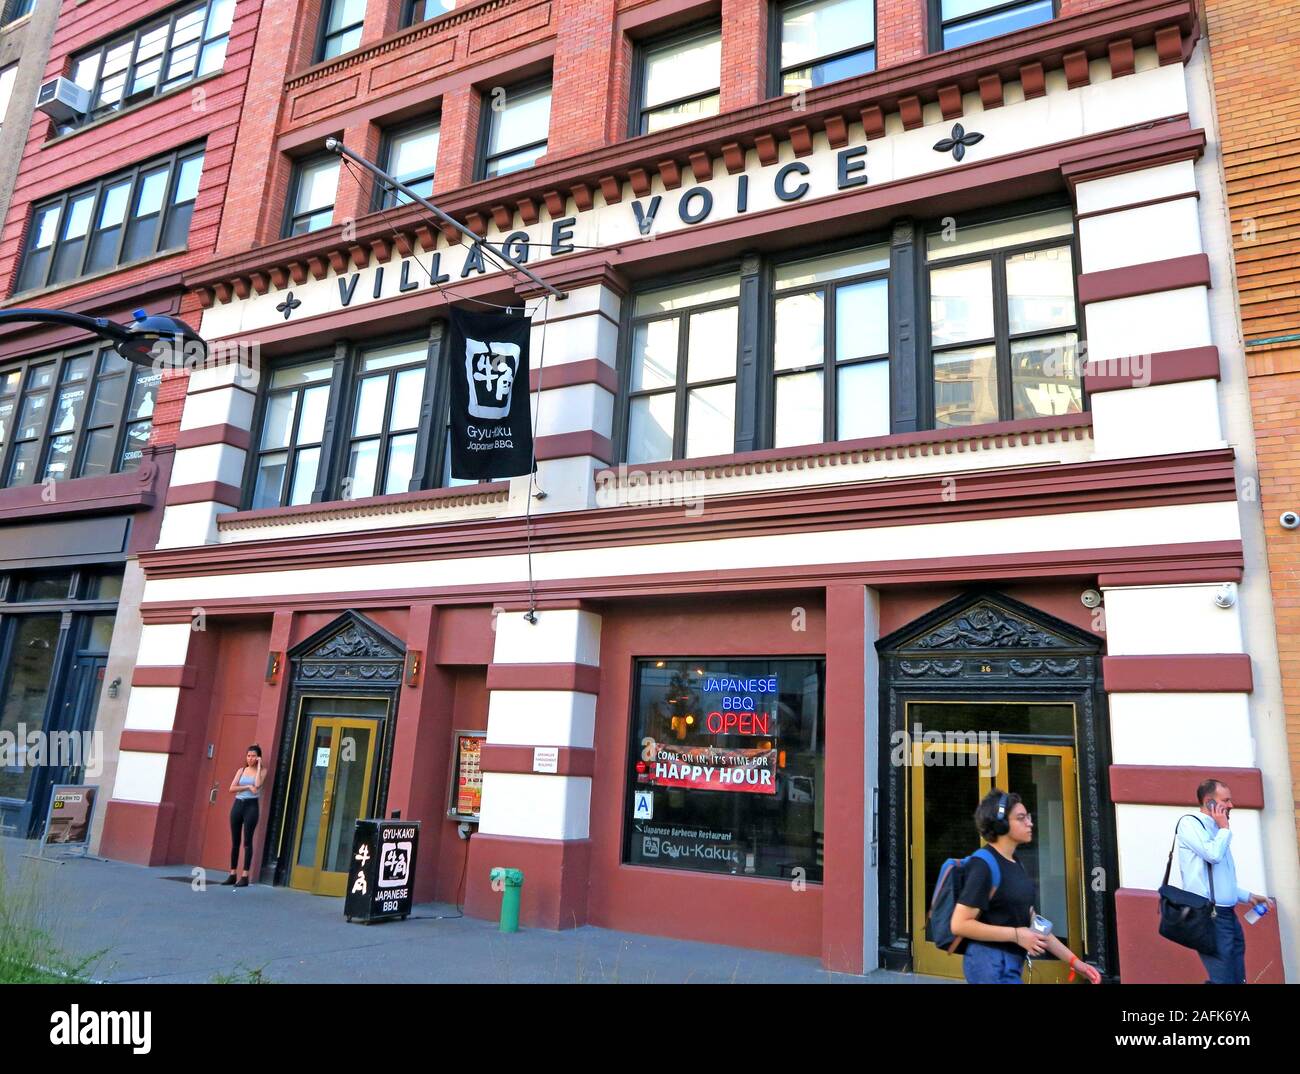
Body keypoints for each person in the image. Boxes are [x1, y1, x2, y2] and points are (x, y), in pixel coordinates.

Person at [950, 788, 1102, 984]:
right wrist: (1016, 935)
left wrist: (1075, 962)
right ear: (1001, 824)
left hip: (1010, 964)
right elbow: (959, 924)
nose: (1030, 823)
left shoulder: (1015, 862)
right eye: (1021, 818)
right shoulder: (983, 865)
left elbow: (1033, 924)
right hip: (988, 965)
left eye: (1028, 816)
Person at [1176, 778, 1275, 984]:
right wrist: (1224, 828)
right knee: (1224, 980)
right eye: (1226, 800)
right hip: (1210, 916)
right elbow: (1212, 854)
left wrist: (1247, 896)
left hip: (1227, 916)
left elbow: (1220, 878)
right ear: (1209, 802)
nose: (1231, 805)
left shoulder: (1217, 831)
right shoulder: (1190, 824)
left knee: (1237, 978)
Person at [224, 746, 266, 888]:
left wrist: (259, 766)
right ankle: (232, 873)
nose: (250, 759)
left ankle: (245, 875)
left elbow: (258, 785)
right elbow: (231, 788)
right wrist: (248, 787)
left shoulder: (262, 771)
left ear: (259, 757)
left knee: (247, 841)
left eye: (253, 756)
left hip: (251, 807)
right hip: (238, 805)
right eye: (248, 756)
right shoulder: (241, 771)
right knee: (235, 841)